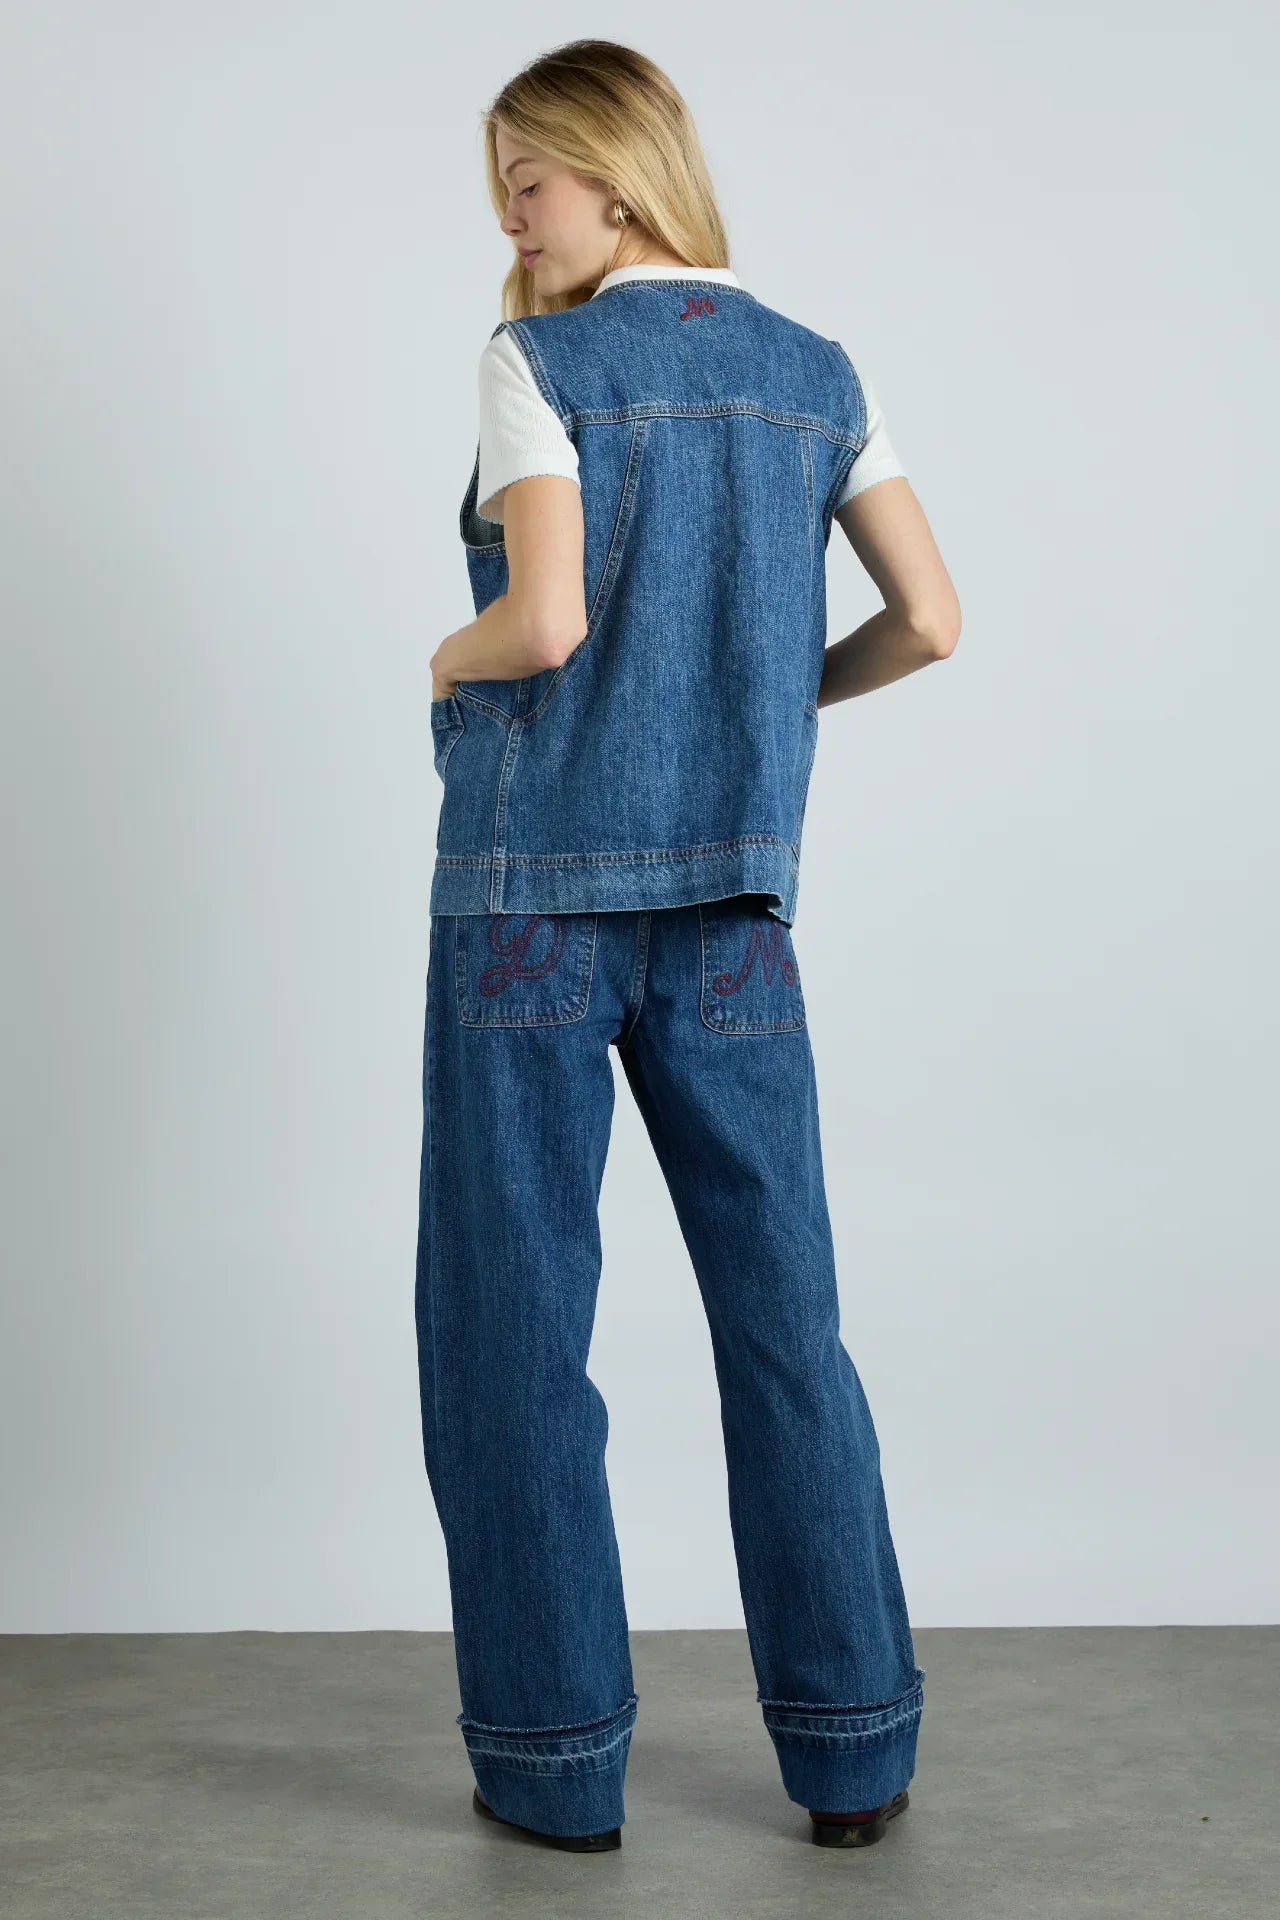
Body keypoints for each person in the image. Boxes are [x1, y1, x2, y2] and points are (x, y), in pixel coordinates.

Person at [415, 38, 961, 1854]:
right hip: (734, 915)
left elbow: (545, 622)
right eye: (503, 187)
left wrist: (442, 657)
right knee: (786, 1326)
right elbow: (932, 619)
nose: (514, 219)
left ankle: (556, 1768)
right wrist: (774, 703)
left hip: (530, 911)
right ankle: (855, 1756)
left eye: (532, 181)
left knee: (512, 1336)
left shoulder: (541, 365)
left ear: (618, 170)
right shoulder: (819, 374)